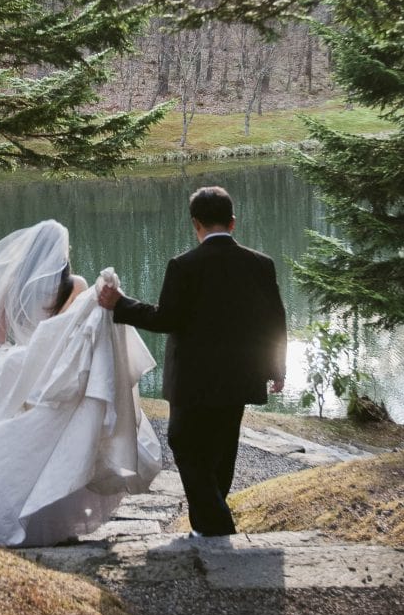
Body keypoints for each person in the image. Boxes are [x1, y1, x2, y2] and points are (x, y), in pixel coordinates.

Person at [0, 220, 161, 547]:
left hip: (16, 365)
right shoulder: (77, 285)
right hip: (55, 370)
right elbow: (80, 333)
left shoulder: (13, 284)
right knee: (53, 442)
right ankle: (48, 516)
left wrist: (18, 356)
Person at [98, 186, 287, 538]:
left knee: (184, 443)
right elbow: (275, 319)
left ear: (195, 224)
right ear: (233, 222)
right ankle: (208, 523)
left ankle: (216, 527)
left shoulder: (183, 266)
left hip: (193, 380)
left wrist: (120, 304)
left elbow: (166, 319)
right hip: (240, 377)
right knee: (222, 448)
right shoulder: (261, 264)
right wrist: (277, 368)